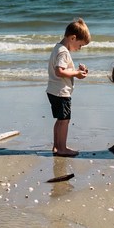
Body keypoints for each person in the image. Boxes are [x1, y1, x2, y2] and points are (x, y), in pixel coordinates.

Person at [46, 18, 91, 157]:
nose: (79, 48)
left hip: (54, 90)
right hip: (61, 92)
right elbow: (60, 71)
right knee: (64, 121)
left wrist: (76, 70)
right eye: (80, 45)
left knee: (60, 120)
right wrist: (77, 73)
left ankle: (57, 146)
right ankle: (62, 148)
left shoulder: (58, 48)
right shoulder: (63, 52)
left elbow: (63, 69)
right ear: (73, 38)